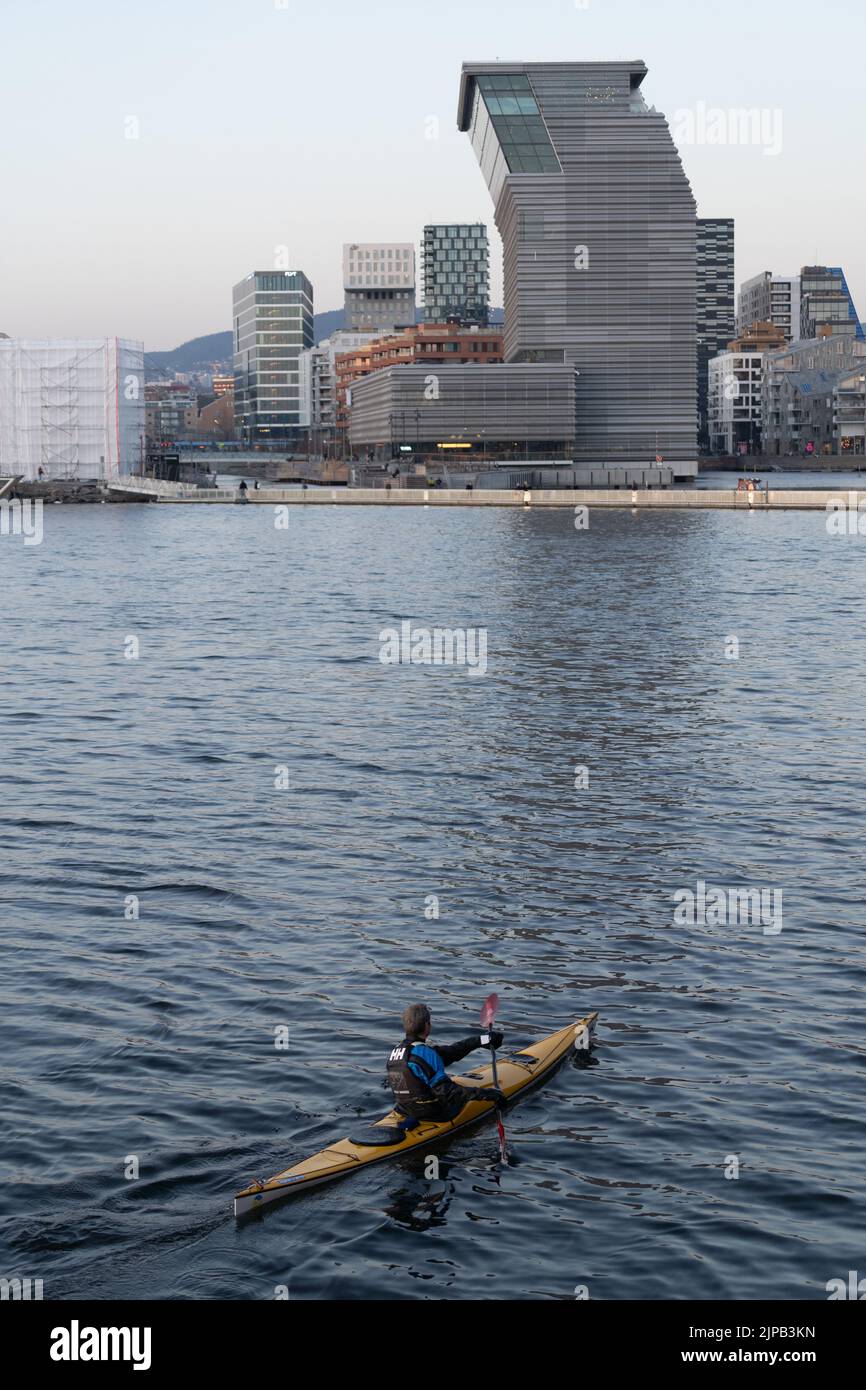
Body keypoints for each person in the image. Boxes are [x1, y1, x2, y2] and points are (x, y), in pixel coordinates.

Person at [387, 1003, 506, 1122]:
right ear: (427, 1025)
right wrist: (490, 1094)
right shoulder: (426, 1054)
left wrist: (483, 1040)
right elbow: (449, 1093)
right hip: (433, 1114)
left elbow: (452, 1052)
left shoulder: (396, 1052)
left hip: (404, 1109)